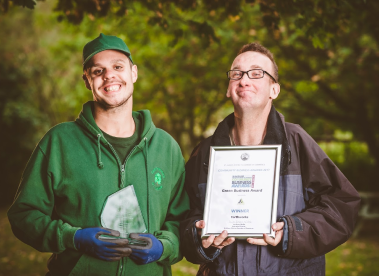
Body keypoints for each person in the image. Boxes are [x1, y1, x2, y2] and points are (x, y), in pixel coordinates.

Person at [8, 33, 189, 276]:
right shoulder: (60, 142)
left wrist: (164, 246)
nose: (109, 75)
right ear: (87, 81)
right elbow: (24, 215)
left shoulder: (166, 147)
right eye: (97, 71)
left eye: (118, 67)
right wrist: (74, 238)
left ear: (133, 73)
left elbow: (182, 221)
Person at [180, 42, 360, 276]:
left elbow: (342, 205)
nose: (244, 80)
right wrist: (198, 236)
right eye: (237, 74)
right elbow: (183, 218)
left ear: (274, 90)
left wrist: (291, 232)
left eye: (256, 74)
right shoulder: (205, 152)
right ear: (228, 88)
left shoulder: (297, 142)